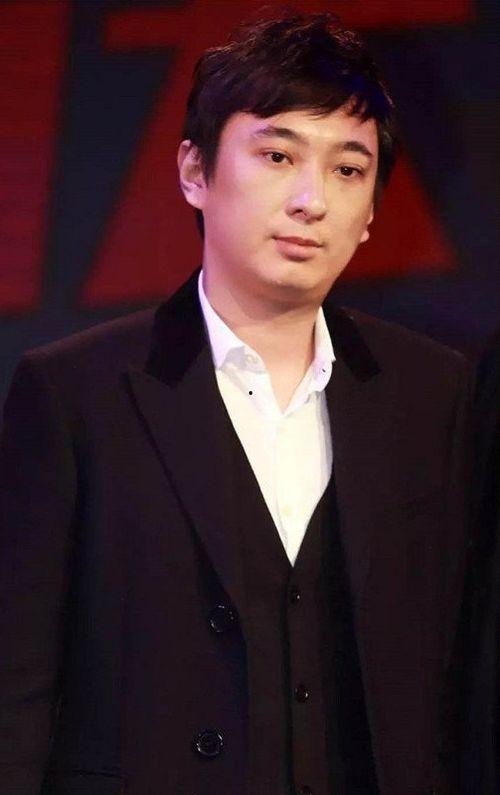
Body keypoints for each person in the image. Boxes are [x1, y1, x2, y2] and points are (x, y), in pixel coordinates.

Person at [0, 13, 471, 795]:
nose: (312, 199)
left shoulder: (432, 395)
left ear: (371, 214)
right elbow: (14, 688)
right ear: (195, 170)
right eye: (279, 155)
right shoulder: (74, 394)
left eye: (348, 169)